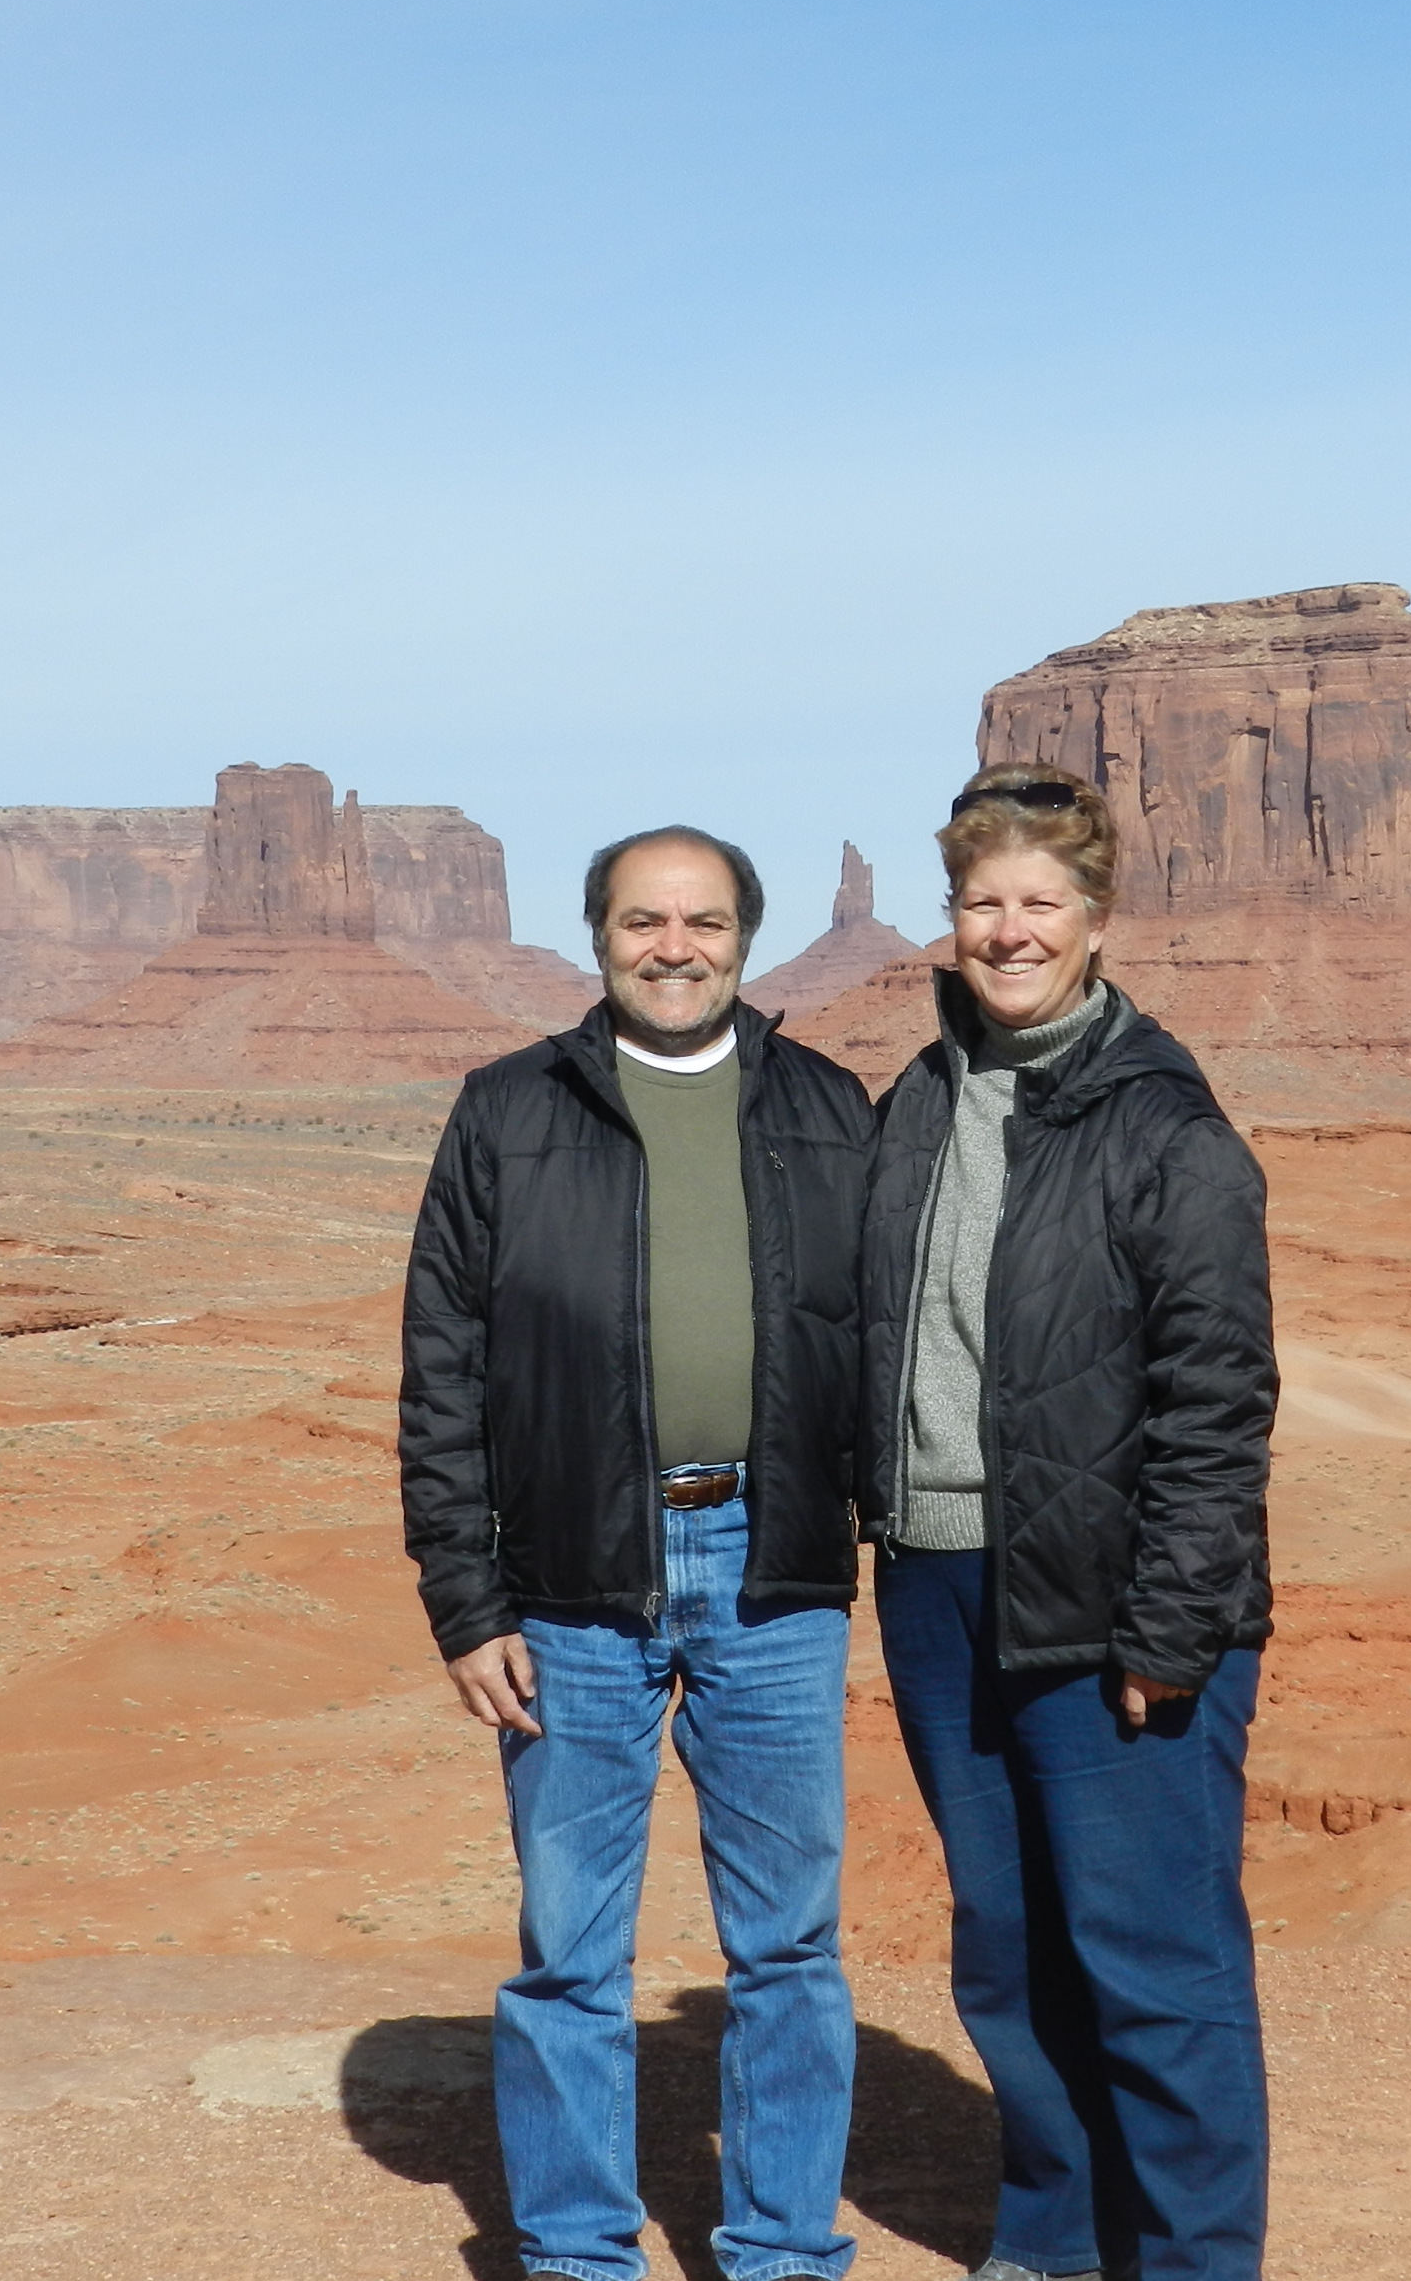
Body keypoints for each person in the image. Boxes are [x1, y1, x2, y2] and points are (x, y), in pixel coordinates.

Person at [401, 823, 875, 2281]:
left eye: (705, 922)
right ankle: (578, 2254)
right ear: (598, 935)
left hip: (775, 1568)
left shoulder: (827, 1106)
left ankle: (782, 2250)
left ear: (748, 938)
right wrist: (465, 1597)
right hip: (569, 1583)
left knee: (789, 1946)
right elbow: (442, 1369)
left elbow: (893, 1340)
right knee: (570, 1954)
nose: (676, 949)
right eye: (645, 922)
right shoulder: (510, 1109)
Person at [858, 763, 1277, 2281]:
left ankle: (1192, 2259)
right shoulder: (917, 1102)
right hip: (937, 1584)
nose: (1011, 931)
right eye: (984, 902)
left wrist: (1173, 1623)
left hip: (1110, 1599)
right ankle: (1051, 2240)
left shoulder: (1165, 1127)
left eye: (1041, 902)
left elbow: (1216, 1401)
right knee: (1010, 1946)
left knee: (1154, 1961)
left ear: (1098, 919)